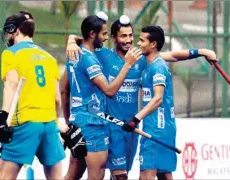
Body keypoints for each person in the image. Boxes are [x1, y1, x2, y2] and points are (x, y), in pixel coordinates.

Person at [65, 14, 217, 180]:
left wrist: (201, 52)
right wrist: (72, 40)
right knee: (119, 176)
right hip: (113, 126)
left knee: (124, 174)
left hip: (132, 127)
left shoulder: (141, 58)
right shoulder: (103, 55)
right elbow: (87, 41)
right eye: (123, 36)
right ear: (113, 37)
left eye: (131, 35)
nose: (128, 40)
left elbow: (172, 56)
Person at [0, 11, 87, 180]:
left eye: (9, 32)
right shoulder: (49, 57)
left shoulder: (11, 53)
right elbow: (57, 98)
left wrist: (2, 118)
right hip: (49, 125)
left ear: (16, 31)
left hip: (24, 123)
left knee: (6, 174)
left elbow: (12, 84)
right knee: (55, 177)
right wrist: (60, 126)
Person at [122, 25, 217, 180]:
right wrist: (202, 52)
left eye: (141, 40)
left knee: (146, 175)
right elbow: (174, 55)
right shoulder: (152, 61)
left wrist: (135, 119)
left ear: (153, 44)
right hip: (164, 128)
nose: (137, 43)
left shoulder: (158, 67)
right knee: (164, 174)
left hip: (156, 128)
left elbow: (158, 99)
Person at [61, 12, 142, 180]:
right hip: (93, 124)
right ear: (92, 34)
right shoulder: (90, 59)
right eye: (104, 33)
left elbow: (63, 91)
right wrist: (127, 65)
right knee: (96, 175)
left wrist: (69, 122)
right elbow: (110, 91)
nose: (106, 38)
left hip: (78, 122)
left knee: (71, 176)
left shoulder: (74, 54)